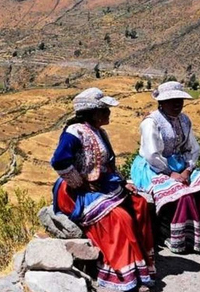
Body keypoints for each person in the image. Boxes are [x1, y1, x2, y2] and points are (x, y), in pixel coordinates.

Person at [51, 88, 156, 292]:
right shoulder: (75, 132)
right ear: (93, 112)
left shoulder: (100, 132)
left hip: (103, 185)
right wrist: (79, 182)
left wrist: (122, 182)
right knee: (119, 218)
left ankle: (141, 265)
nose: (108, 113)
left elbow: (108, 163)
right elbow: (59, 161)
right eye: (105, 110)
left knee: (139, 204)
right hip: (76, 192)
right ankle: (122, 274)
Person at [130, 81, 200, 253]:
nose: (177, 104)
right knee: (180, 192)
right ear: (161, 102)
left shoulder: (184, 120)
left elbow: (192, 148)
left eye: (180, 100)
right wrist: (171, 173)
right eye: (171, 100)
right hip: (152, 167)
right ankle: (172, 235)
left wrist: (188, 169)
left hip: (180, 165)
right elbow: (151, 154)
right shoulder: (151, 122)